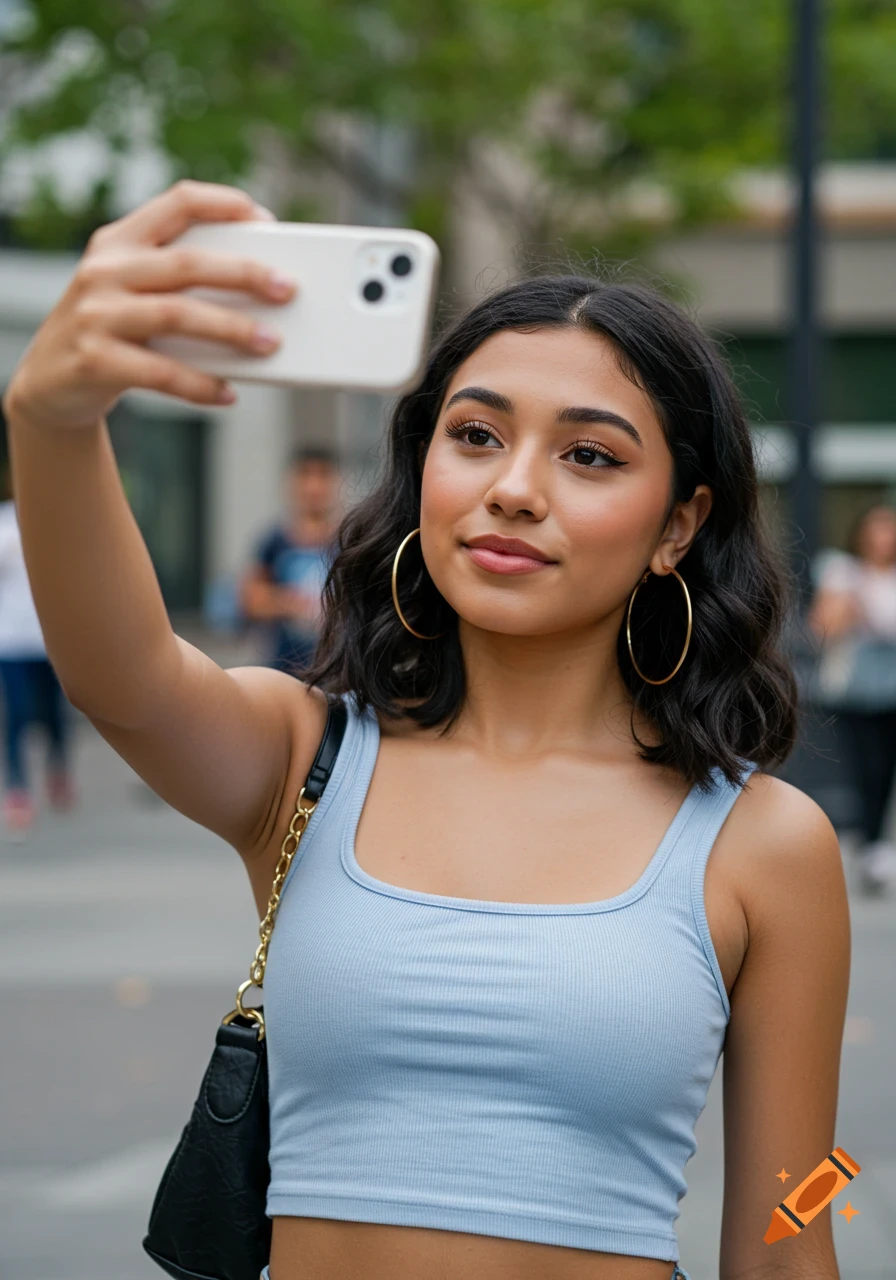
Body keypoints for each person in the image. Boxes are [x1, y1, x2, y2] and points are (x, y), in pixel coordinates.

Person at [2, 180, 849, 1280]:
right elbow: (119, 675)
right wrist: (52, 417)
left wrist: (806, 1209)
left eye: (587, 455)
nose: (511, 487)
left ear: (677, 523)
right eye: (475, 434)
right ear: (423, 469)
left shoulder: (764, 843)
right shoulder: (304, 758)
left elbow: (791, 1231)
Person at [808, 503, 896, 894]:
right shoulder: (844, 574)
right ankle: (871, 845)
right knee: (867, 767)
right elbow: (823, 627)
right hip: (856, 687)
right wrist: (853, 600)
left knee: (886, 769)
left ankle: (876, 845)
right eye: (877, 530)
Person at [0, 466, 74, 832]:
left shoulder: (56, 524)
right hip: (12, 639)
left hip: (49, 640)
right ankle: (17, 788)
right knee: (16, 714)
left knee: (54, 712)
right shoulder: (4, 526)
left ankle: (58, 766)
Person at [238, 446, 340, 674]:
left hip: (338, 673)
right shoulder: (273, 542)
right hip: (283, 669)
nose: (314, 486)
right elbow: (250, 599)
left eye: (322, 475)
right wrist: (292, 604)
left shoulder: (350, 542)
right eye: (305, 475)